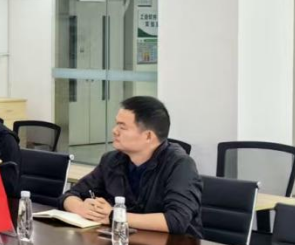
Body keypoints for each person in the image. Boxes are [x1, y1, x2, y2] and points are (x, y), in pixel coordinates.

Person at [59, 95, 203, 236]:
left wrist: (114, 215)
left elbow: (176, 220)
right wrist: (81, 208)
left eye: (122, 127)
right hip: (125, 243)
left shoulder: (180, 165)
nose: (114, 131)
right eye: (116, 124)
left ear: (148, 136)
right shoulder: (112, 160)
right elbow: (70, 195)